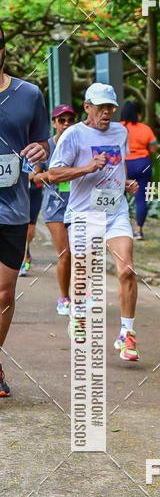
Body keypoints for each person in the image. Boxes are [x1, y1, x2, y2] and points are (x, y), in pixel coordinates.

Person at [46, 82, 141, 361]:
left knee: (127, 270)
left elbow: (119, 163)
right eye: (101, 107)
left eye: (111, 106)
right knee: (83, 273)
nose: (107, 112)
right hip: (83, 214)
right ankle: (77, 315)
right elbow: (53, 174)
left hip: (114, 211)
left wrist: (126, 184)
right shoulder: (73, 135)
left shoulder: (120, 131)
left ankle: (127, 334)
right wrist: (87, 167)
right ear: (87, 107)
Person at [0, 22, 50, 396]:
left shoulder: (29, 93)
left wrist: (41, 150)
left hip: (12, 209)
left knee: (3, 294)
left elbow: (41, 143)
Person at [31, 104, 76, 313]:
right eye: (62, 120)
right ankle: (64, 298)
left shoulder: (79, 142)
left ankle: (81, 296)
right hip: (54, 207)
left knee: (81, 254)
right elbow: (32, 175)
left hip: (78, 205)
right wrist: (48, 176)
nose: (66, 124)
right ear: (54, 123)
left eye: (69, 120)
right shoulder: (46, 147)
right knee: (65, 253)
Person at [120, 100, 157, 240]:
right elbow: (153, 149)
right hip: (142, 164)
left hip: (123, 165)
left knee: (117, 195)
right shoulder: (146, 129)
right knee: (141, 198)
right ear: (138, 115)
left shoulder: (117, 128)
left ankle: (117, 228)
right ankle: (139, 230)